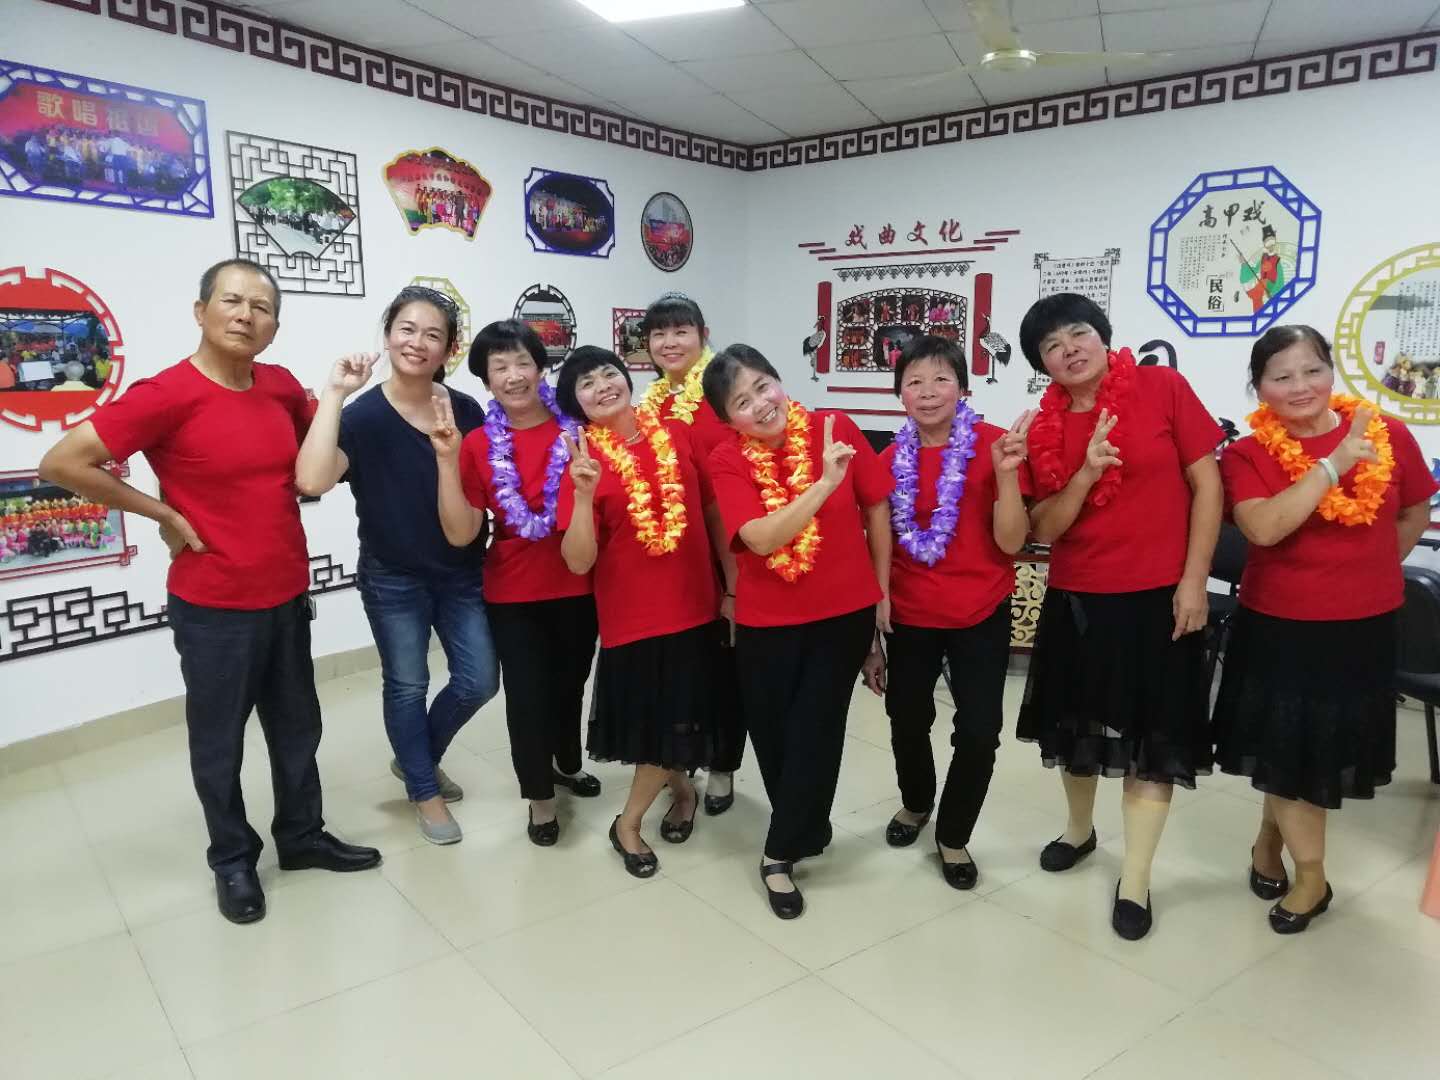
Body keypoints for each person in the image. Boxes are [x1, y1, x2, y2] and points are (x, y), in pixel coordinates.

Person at [38, 258, 381, 925]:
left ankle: (302, 837)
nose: (246, 315)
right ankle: (232, 859)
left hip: (286, 592)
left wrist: (342, 396)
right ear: (201, 312)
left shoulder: (280, 387)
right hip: (214, 605)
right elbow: (62, 462)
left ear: (274, 327)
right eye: (232, 300)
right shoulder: (166, 394)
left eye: (262, 307)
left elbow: (320, 458)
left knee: (298, 728)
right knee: (220, 742)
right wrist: (162, 513)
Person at [1214, 325, 1436, 933]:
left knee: (1315, 752)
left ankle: (1269, 840)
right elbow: (1264, 528)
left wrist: (1373, 567)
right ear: (1259, 387)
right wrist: (1331, 467)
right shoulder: (1248, 454)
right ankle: (1312, 879)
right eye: (1281, 376)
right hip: (1281, 627)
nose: (1300, 386)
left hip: (1364, 625)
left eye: (1312, 370)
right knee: (1288, 748)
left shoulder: (1385, 434)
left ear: (1331, 371)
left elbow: (1416, 507)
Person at [1015, 292, 1223, 941]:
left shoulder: (1162, 388)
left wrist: (1194, 581)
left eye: (1078, 333)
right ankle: (1079, 831)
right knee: (1075, 727)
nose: (1069, 349)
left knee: (1152, 741)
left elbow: (1208, 486)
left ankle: (1135, 877)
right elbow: (1043, 529)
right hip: (1078, 598)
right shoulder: (1042, 428)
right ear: (1043, 365)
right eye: (1052, 345)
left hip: (1161, 598)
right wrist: (1083, 474)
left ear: (1103, 336)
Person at [294, 286, 498, 846]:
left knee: (479, 681)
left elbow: (478, 491)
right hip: (393, 577)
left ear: (448, 349)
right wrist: (335, 394)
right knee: (408, 685)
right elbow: (311, 480)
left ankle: (415, 759)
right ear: (387, 335)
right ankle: (425, 791)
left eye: (433, 334)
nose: (418, 342)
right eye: (407, 329)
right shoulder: (362, 417)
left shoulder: (464, 409)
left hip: (461, 569)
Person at [703, 345, 894, 920]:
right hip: (767, 621)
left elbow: (876, 506)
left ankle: (778, 853)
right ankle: (807, 825)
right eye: (742, 401)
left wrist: (880, 594)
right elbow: (760, 538)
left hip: (843, 615)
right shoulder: (727, 459)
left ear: (779, 380)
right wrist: (824, 484)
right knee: (773, 736)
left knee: (816, 729)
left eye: (764, 385)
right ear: (729, 419)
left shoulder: (835, 428)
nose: (761, 404)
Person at [860, 335, 1032, 890]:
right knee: (906, 719)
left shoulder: (997, 444)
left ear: (963, 387)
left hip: (981, 610)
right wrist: (873, 629)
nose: (928, 391)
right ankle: (916, 803)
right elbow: (876, 544)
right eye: (915, 381)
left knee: (980, 731)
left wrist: (1007, 474)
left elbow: (1013, 543)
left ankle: (953, 834)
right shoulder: (886, 461)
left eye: (941, 379)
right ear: (900, 395)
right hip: (909, 615)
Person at [556, 346, 725, 878]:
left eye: (609, 373)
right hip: (634, 614)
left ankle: (682, 793)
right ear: (577, 404)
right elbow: (577, 559)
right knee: (655, 721)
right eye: (586, 383)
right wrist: (583, 496)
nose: (602, 385)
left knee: (683, 714)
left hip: (696, 601)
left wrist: (733, 587)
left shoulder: (677, 434)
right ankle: (628, 823)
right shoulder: (582, 463)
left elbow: (712, 511)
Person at [435, 320, 603, 847]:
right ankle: (539, 796)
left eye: (522, 362)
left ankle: (567, 763)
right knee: (528, 695)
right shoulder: (476, 445)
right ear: (486, 380)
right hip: (512, 591)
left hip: (579, 582)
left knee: (570, 684)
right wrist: (446, 460)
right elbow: (462, 532)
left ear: (541, 367)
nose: (513, 375)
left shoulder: (579, 430)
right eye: (499, 367)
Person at [637, 292, 743, 815]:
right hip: (677, 554)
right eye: (659, 334)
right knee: (684, 668)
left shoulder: (724, 388)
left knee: (726, 666)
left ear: (703, 335)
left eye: (681, 331)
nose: (669, 342)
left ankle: (723, 765)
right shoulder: (650, 403)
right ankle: (683, 760)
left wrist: (734, 581)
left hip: (731, 548)